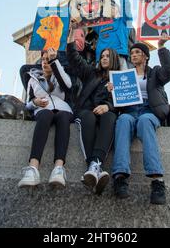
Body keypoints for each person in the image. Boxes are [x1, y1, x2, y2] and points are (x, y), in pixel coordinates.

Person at [107, 34, 170, 204]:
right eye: (132, 53)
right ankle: (120, 177)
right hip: (130, 110)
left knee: (145, 121)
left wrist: (161, 47)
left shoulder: (155, 73)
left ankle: (157, 181)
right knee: (123, 121)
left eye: (138, 52)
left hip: (149, 110)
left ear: (146, 56)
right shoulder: (125, 75)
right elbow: (119, 100)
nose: (134, 55)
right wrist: (113, 90)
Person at [67, 20, 120, 195]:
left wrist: (108, 105)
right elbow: (75, 59)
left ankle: (93, 167)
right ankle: (95, 166)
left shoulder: (120, 79)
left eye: (107, 56)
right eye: (102, 56)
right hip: (86, 111)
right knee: (88, 117)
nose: (104, 58)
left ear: (113, 59)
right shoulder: (91, 72)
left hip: (106, 114)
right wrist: (72, 34)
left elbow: (125, 105)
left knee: (110, 117)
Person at [18, 48, 74, 189]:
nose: (45, 63)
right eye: (43, 60)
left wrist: (55, 61)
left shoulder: (61, 75)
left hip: (63, 109)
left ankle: (58, 169)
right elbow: (28, 104)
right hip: (43, 109)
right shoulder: (32, 79)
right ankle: (33, 168)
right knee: (45, 115)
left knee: (63, 117)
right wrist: (34, 103)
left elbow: (68, 86)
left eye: (48, 60)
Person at [93, 0, 133, 70]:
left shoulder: (124, 22)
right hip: (101, 61)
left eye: (112, 6)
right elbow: (86, 14)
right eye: (106, 6)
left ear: (119, 10)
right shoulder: (100, 25)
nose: (109, 7)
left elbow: (126, 4)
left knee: (120, 84)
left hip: (118, 58)